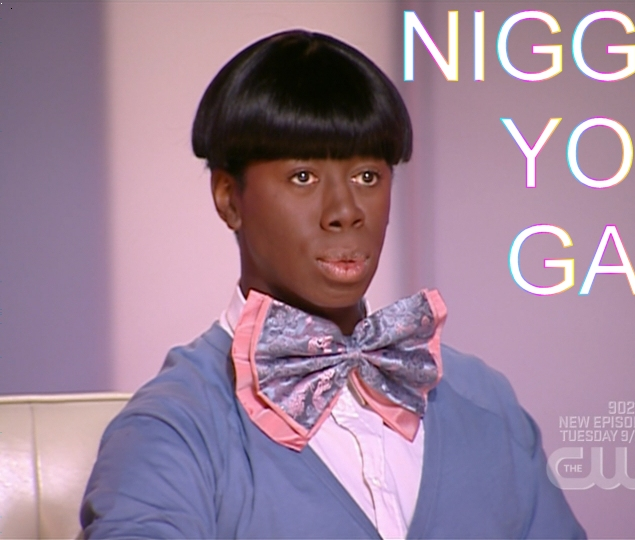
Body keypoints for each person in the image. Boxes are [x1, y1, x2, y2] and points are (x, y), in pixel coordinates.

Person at [81, 30, 585, 538]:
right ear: (229, 198)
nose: (345, 211)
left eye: (367, 176)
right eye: (303, 177)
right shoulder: (173, 428)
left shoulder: (487, 402)